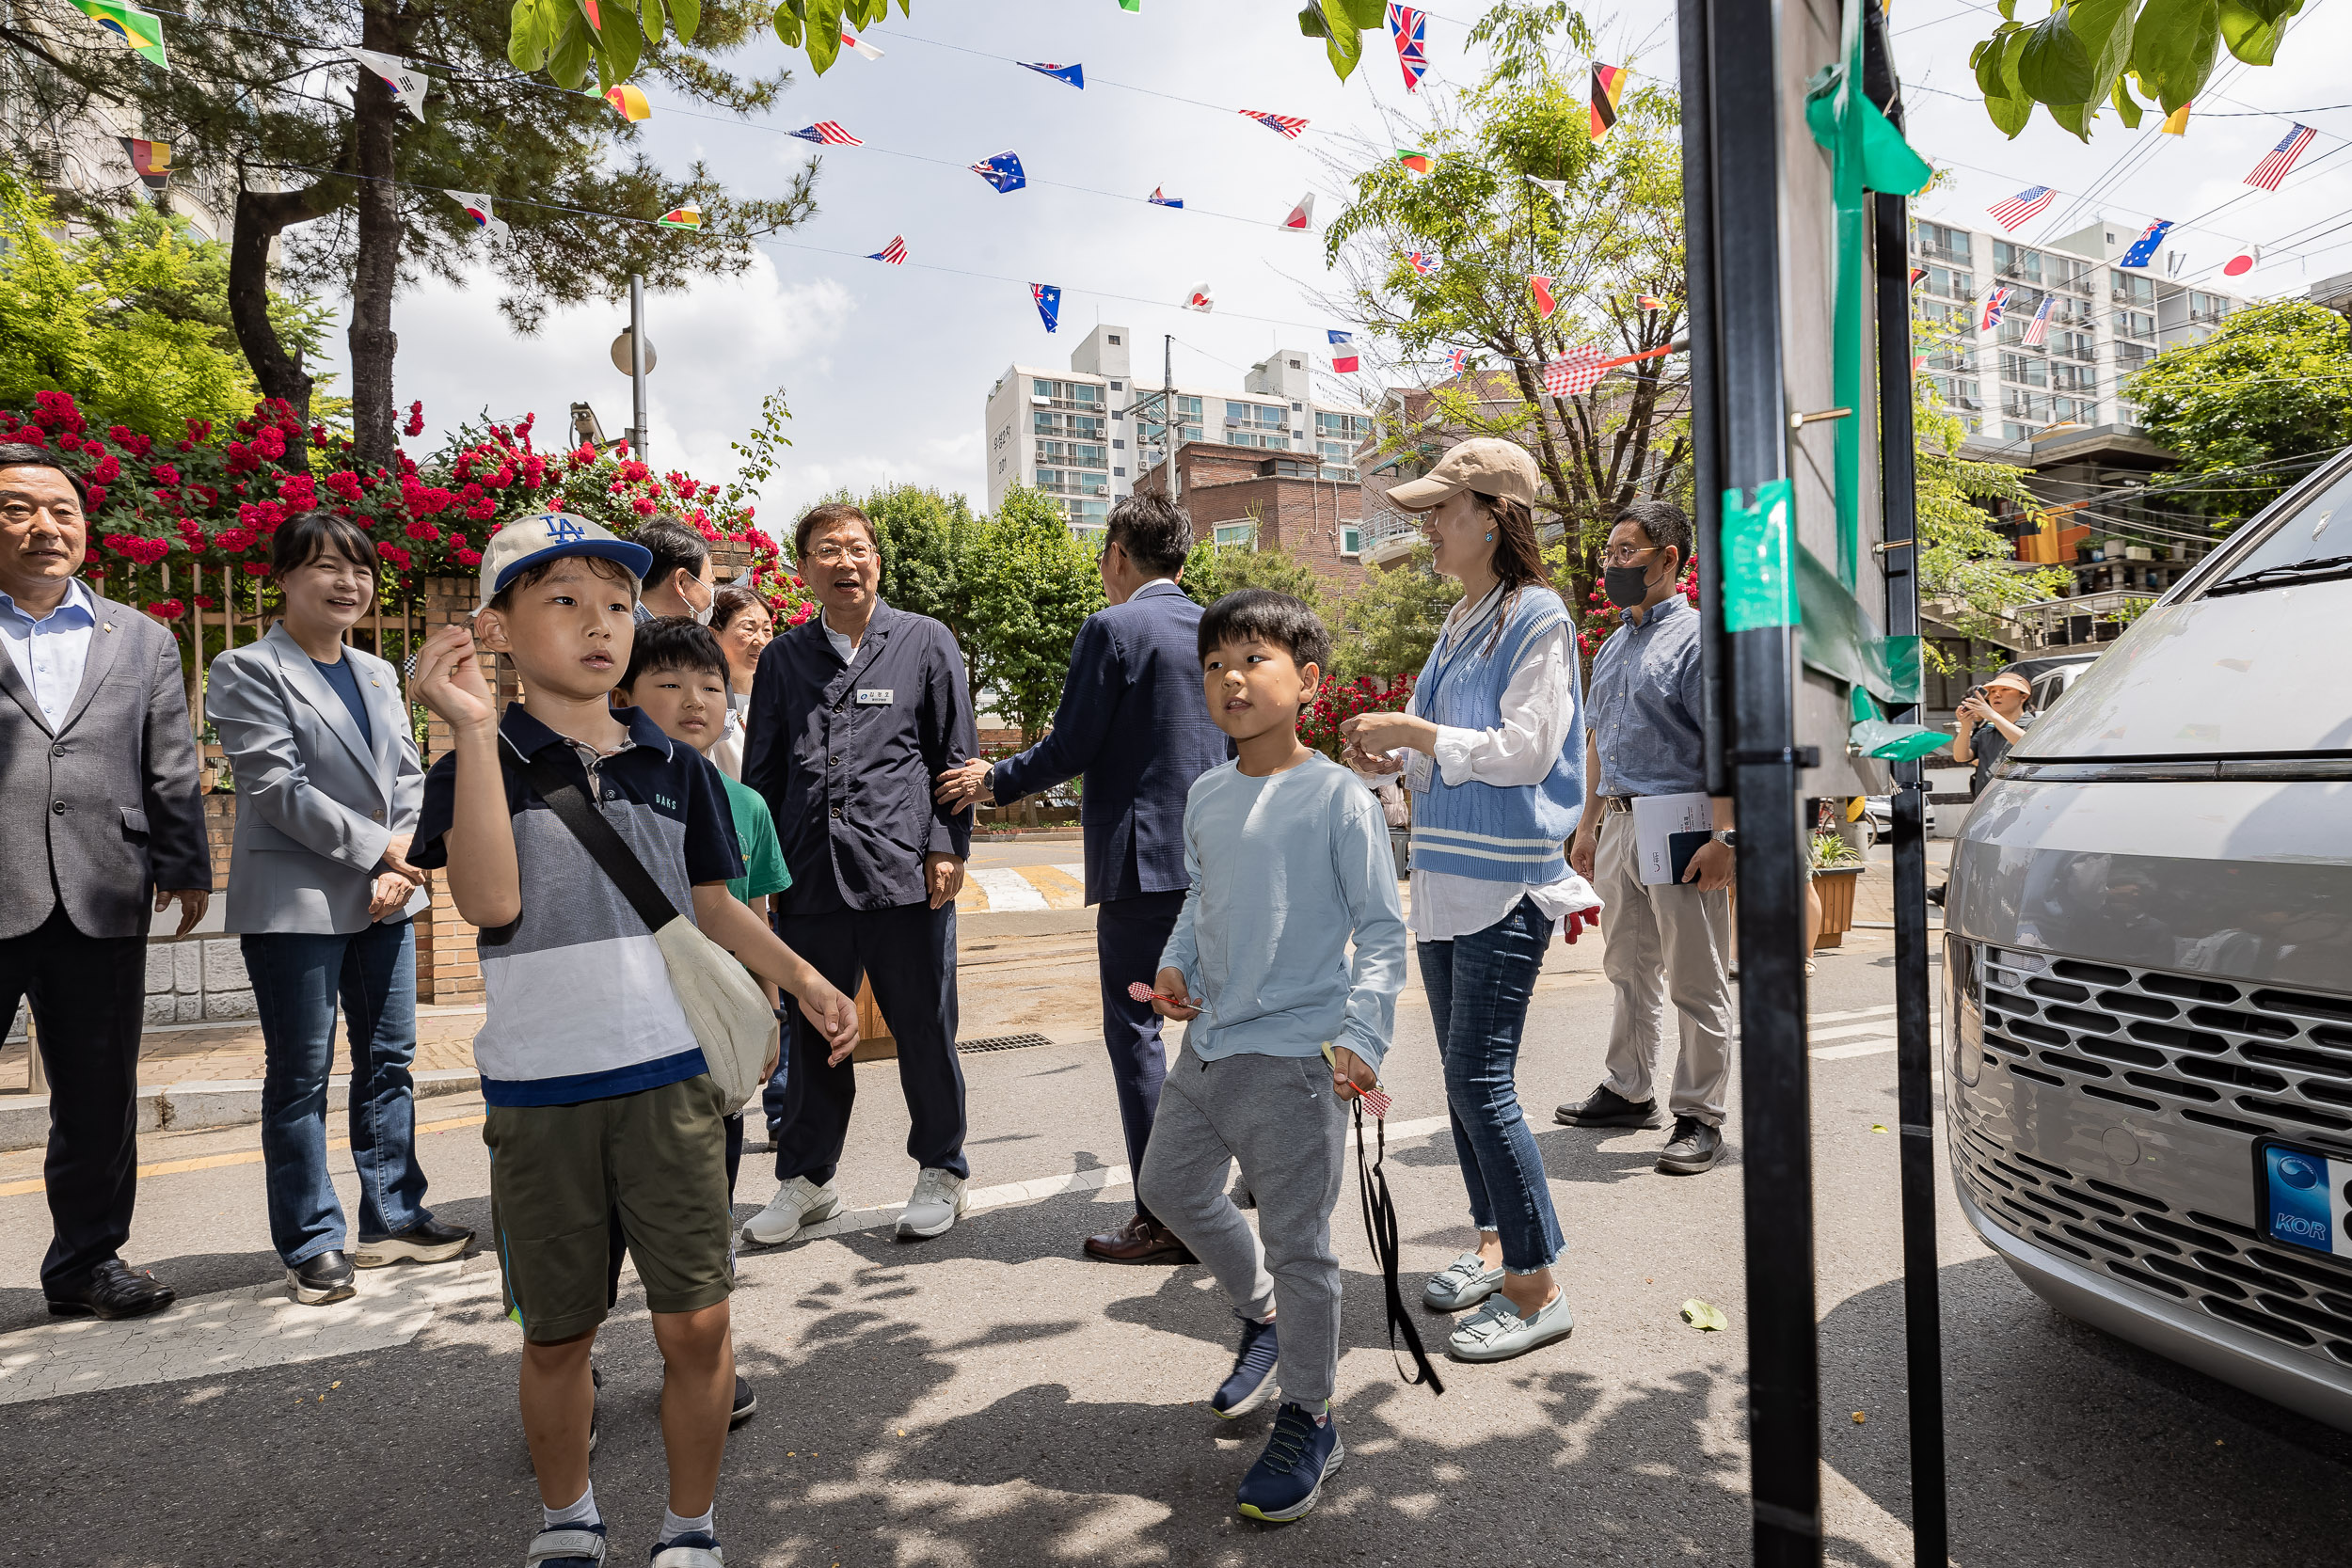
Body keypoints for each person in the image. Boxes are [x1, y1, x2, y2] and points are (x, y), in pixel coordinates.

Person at [405, 511, 858, 1568]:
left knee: (695, 1326)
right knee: (557, 1332)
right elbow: (487, 898)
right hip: (537, 1094)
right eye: (561, 599)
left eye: (615, 602)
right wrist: (473, 730)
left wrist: (802, 978)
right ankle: (568, 1517)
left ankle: (689, 1526)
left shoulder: (678, 764)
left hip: (670, 1084)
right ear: (497, 628)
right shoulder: (480, 760)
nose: (599, 623)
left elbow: (709, 903)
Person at [1138, 589, 1406, 1525]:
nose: (1230, 677)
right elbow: (1200, 898)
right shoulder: (1208, 792)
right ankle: (1257, 1315)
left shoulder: (1339, 796)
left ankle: (1311, 1413)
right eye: (1214, 664)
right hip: (1208, 1044)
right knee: (1169, 1187)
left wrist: (1362, 1037)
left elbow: (1380, 929)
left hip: (1298, 1056)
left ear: (1307, 682)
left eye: (1252, 658)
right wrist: (1178, 961)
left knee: (1301, 1244)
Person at [1340, 437, 1597, 1362]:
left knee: (1482, 1087)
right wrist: (1391, 757)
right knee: (1462, 1088)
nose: (1429, 528)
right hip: (1447, 881)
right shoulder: (1461, 618)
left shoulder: (1537, 615)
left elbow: (1527, 748)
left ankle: (1534, 1288)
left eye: (1441, 512)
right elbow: (1440, 752)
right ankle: (1495, 1246)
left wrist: (1414, 730)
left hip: (1503, 883)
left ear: (1492, 515)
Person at [931, 494, 1230, 1265]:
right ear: (1185, 560)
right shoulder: (1220, 629)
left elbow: (1072, 744)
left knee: (1137, 1032)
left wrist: (991, 779)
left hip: (1142, 868)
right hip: (1221, 863)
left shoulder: (1114, 628)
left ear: (1119, 556)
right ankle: (1250, 1179)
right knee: (1226, 1025)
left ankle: (1168, 1213)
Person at [207, 511, 472, 1307]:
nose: (347, 582)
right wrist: (383, 851)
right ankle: (312, 1241)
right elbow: (276, 786)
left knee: (389, 1060)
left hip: (387, 894)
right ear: (283, 576)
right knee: (300, 1073)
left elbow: (408, 775)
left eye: (359, 568)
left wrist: (408, 857)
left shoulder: (379, 672)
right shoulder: (246, 667)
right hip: (295, 900)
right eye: (325, 565)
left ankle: (392, 1217)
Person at [0, 443, 209, 1322]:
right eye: (18, 509)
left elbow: (170, 760)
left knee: (97, 1091)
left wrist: (185, 861)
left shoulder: (143, 636)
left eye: (63, 511)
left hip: (102, 888)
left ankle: (88, 1260)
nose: (46, 526)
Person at [741, 501, 978, 1247]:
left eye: (859, 549)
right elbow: (764, 775)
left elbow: (955, 756)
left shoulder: (925, 642)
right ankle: (808, 1180)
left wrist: (948, 844)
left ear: (878, 561)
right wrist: (763, 871)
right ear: (804, 569)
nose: (846, 562)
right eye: (827, 550)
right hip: (809, 878)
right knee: (814, 1036)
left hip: (906, 873)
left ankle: (941, 1168)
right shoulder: (782, 659)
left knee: (924, 1028)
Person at [611, 615, 795, 1434]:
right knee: (601, 1218)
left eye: (712, 685)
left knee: (705, 1204)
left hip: (706, 1042)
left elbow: (753, 914)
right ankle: (568, 1357)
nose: (695, 700)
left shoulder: (746, 803)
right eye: (669, 684)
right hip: (616, 1037)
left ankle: (698, 1357)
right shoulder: (602, 786)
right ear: (623, 697)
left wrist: (771, 1011)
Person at [1554, 499, 1739, 1176]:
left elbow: (1725, 745)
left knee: (1696, 973)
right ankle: (1630, 1090)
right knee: (1628, 969)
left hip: (1685, 820)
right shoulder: (1612, 643)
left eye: (1626, 552)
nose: (1613, 564)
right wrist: (1587, 825)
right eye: (1609, 552)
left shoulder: (1699, 640)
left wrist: (1727, 833)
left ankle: (1700, 1113)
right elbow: (1599, 737)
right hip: (1623, 825)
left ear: (1669, 559)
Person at [705, 586, 772, 780]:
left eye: (767, 630)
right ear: (714, 634)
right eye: (749, 629)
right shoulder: (703, 702)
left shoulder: (778, 701)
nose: (760, 640)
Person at [1952, 671, 2035, 795]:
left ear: (2023, 697)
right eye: (1992, 691)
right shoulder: (1986, 732)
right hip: (1987, 805)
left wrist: (1993, 716)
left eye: (2005, 689)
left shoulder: (2037, 726)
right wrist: (1966, 726)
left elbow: (2028, 745)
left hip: (2022, 801)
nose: (1996, 695)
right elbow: (1961, 757)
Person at [634, 517, 718, 625]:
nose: (712, 591)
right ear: (681, 582)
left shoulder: (621, 628)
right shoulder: (624, 637)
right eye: (711, 582)